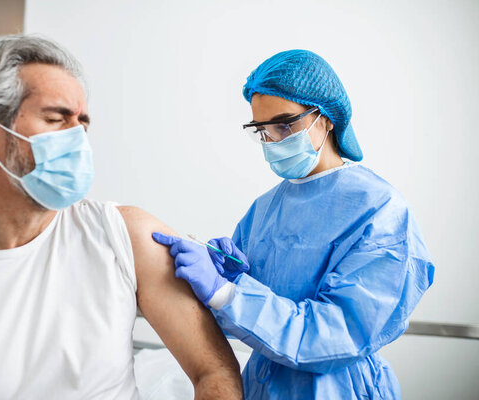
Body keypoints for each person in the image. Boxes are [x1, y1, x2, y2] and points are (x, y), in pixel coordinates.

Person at [0, 35, 243, 400]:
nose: (77, 140)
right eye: (55, 118)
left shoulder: (124, 236)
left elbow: (214, 372)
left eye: (82, 124)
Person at [153, 49, 435, 399]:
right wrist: (230, 280)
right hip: (262, 386)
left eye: (285, 124)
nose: (273, 140)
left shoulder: (380, 210)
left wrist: (229, 294)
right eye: (262, 130)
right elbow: (248, 325)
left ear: (327, 118)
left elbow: (338, 335)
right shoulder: (264, 210)